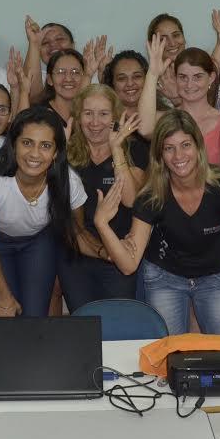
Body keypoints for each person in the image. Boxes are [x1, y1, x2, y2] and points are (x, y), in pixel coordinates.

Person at [94, 110, 220, 335]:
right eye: (169, 148)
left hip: (215, 277)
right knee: (169, 356)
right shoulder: (152, 195)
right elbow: (128, 265)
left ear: (198, 147)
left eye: (185, 145)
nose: (178, 156)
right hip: (166, 278)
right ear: (160, 155)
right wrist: (101, 224)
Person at [0, 107, 89, 317]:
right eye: (27, 143)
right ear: (13, 144)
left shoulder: (69, 181)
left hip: (37, 242)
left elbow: (78, 234)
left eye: (45, 146)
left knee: (34, 319)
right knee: (1, 316)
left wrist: (110, 253)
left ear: (55, 153)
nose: (35, 154)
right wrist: (4, 295)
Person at [61, 85, 147, 309]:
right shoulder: (67, 152)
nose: (95, 122)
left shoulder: (134, 149)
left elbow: (131, 200)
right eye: (88, 113)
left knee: (117, 326)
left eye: (103, 114)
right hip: (77, 256)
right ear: (78, 117)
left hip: (118, 254)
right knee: (83, 328)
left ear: (116, 117)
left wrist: (116, 149)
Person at [140, 17, 220, 168]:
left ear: (211, 78)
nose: (189, 84)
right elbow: (145, 129)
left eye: (197, 77)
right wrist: (153, 74)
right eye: (182, 77)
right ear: (176, 78)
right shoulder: (166, 119)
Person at [145, 13, 187, 107]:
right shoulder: (148, 82)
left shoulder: (199, 71)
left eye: (176, 35)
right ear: (153, 44)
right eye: (163, 39)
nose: (172, 43)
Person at [38, 49, 88, 125]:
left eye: (75, 72)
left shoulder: (90, 113)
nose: (68, 79)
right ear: (50, 79)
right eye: (61, 72)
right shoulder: (39, 114)